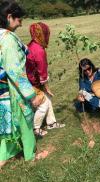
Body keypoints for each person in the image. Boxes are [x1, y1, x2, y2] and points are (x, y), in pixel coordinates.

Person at [0, 1, 44, 168]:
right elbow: (15, 72)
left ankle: (3, 157)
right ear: (9, 17)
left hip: (1, 89)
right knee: (25, 121)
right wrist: (30, 95)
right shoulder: (8, 40)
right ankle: (30, 155)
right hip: (12, 90)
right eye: (19, 19)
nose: (21, 23)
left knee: (7, 123)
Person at [26, 22, 65, 137]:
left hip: (31, 80)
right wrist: (46, 88)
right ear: (42, 34)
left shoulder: (32, 45)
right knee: (43, 103)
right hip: (31, 83)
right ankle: (36, 129)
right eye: (46, 33)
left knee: (47, 99)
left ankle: (51, 123)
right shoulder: (39, 51)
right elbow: (42, 74)